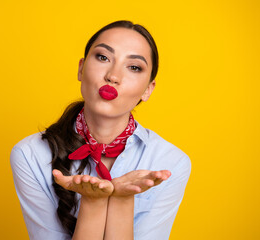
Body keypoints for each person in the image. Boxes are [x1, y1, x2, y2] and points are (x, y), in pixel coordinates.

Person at [10, 20, 191, 240]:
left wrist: (122, 199)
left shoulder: (171, 162)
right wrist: (93, 203)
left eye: (134, 67)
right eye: (103, 57)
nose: (113, 76)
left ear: (148, 90)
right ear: (80, 68)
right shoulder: (30, 155)